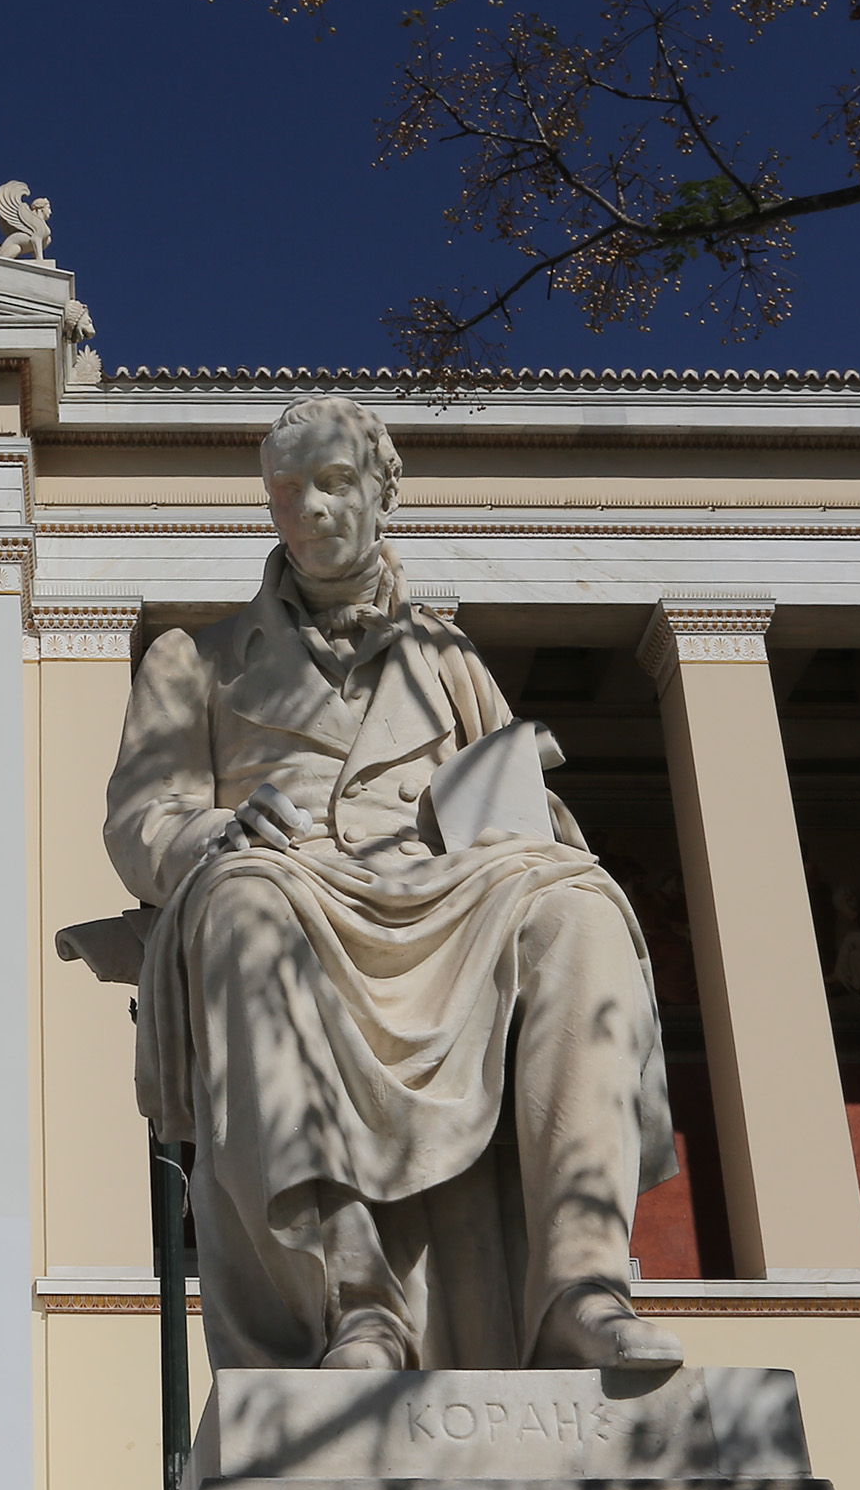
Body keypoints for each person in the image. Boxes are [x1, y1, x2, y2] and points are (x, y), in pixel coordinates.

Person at [104, 393, 683, 1373]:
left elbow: (510, 807)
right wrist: (216, 828)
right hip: (287, 884)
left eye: (335, 484)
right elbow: (141, 819)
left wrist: (519, 819)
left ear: (381, 494)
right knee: (245, 906)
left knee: (579, 907)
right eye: (289, 492)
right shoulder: (193, 661)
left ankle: (583, 1288)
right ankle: (355, 1309)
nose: (313, 510)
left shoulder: (449, 660)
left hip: (444, 894)